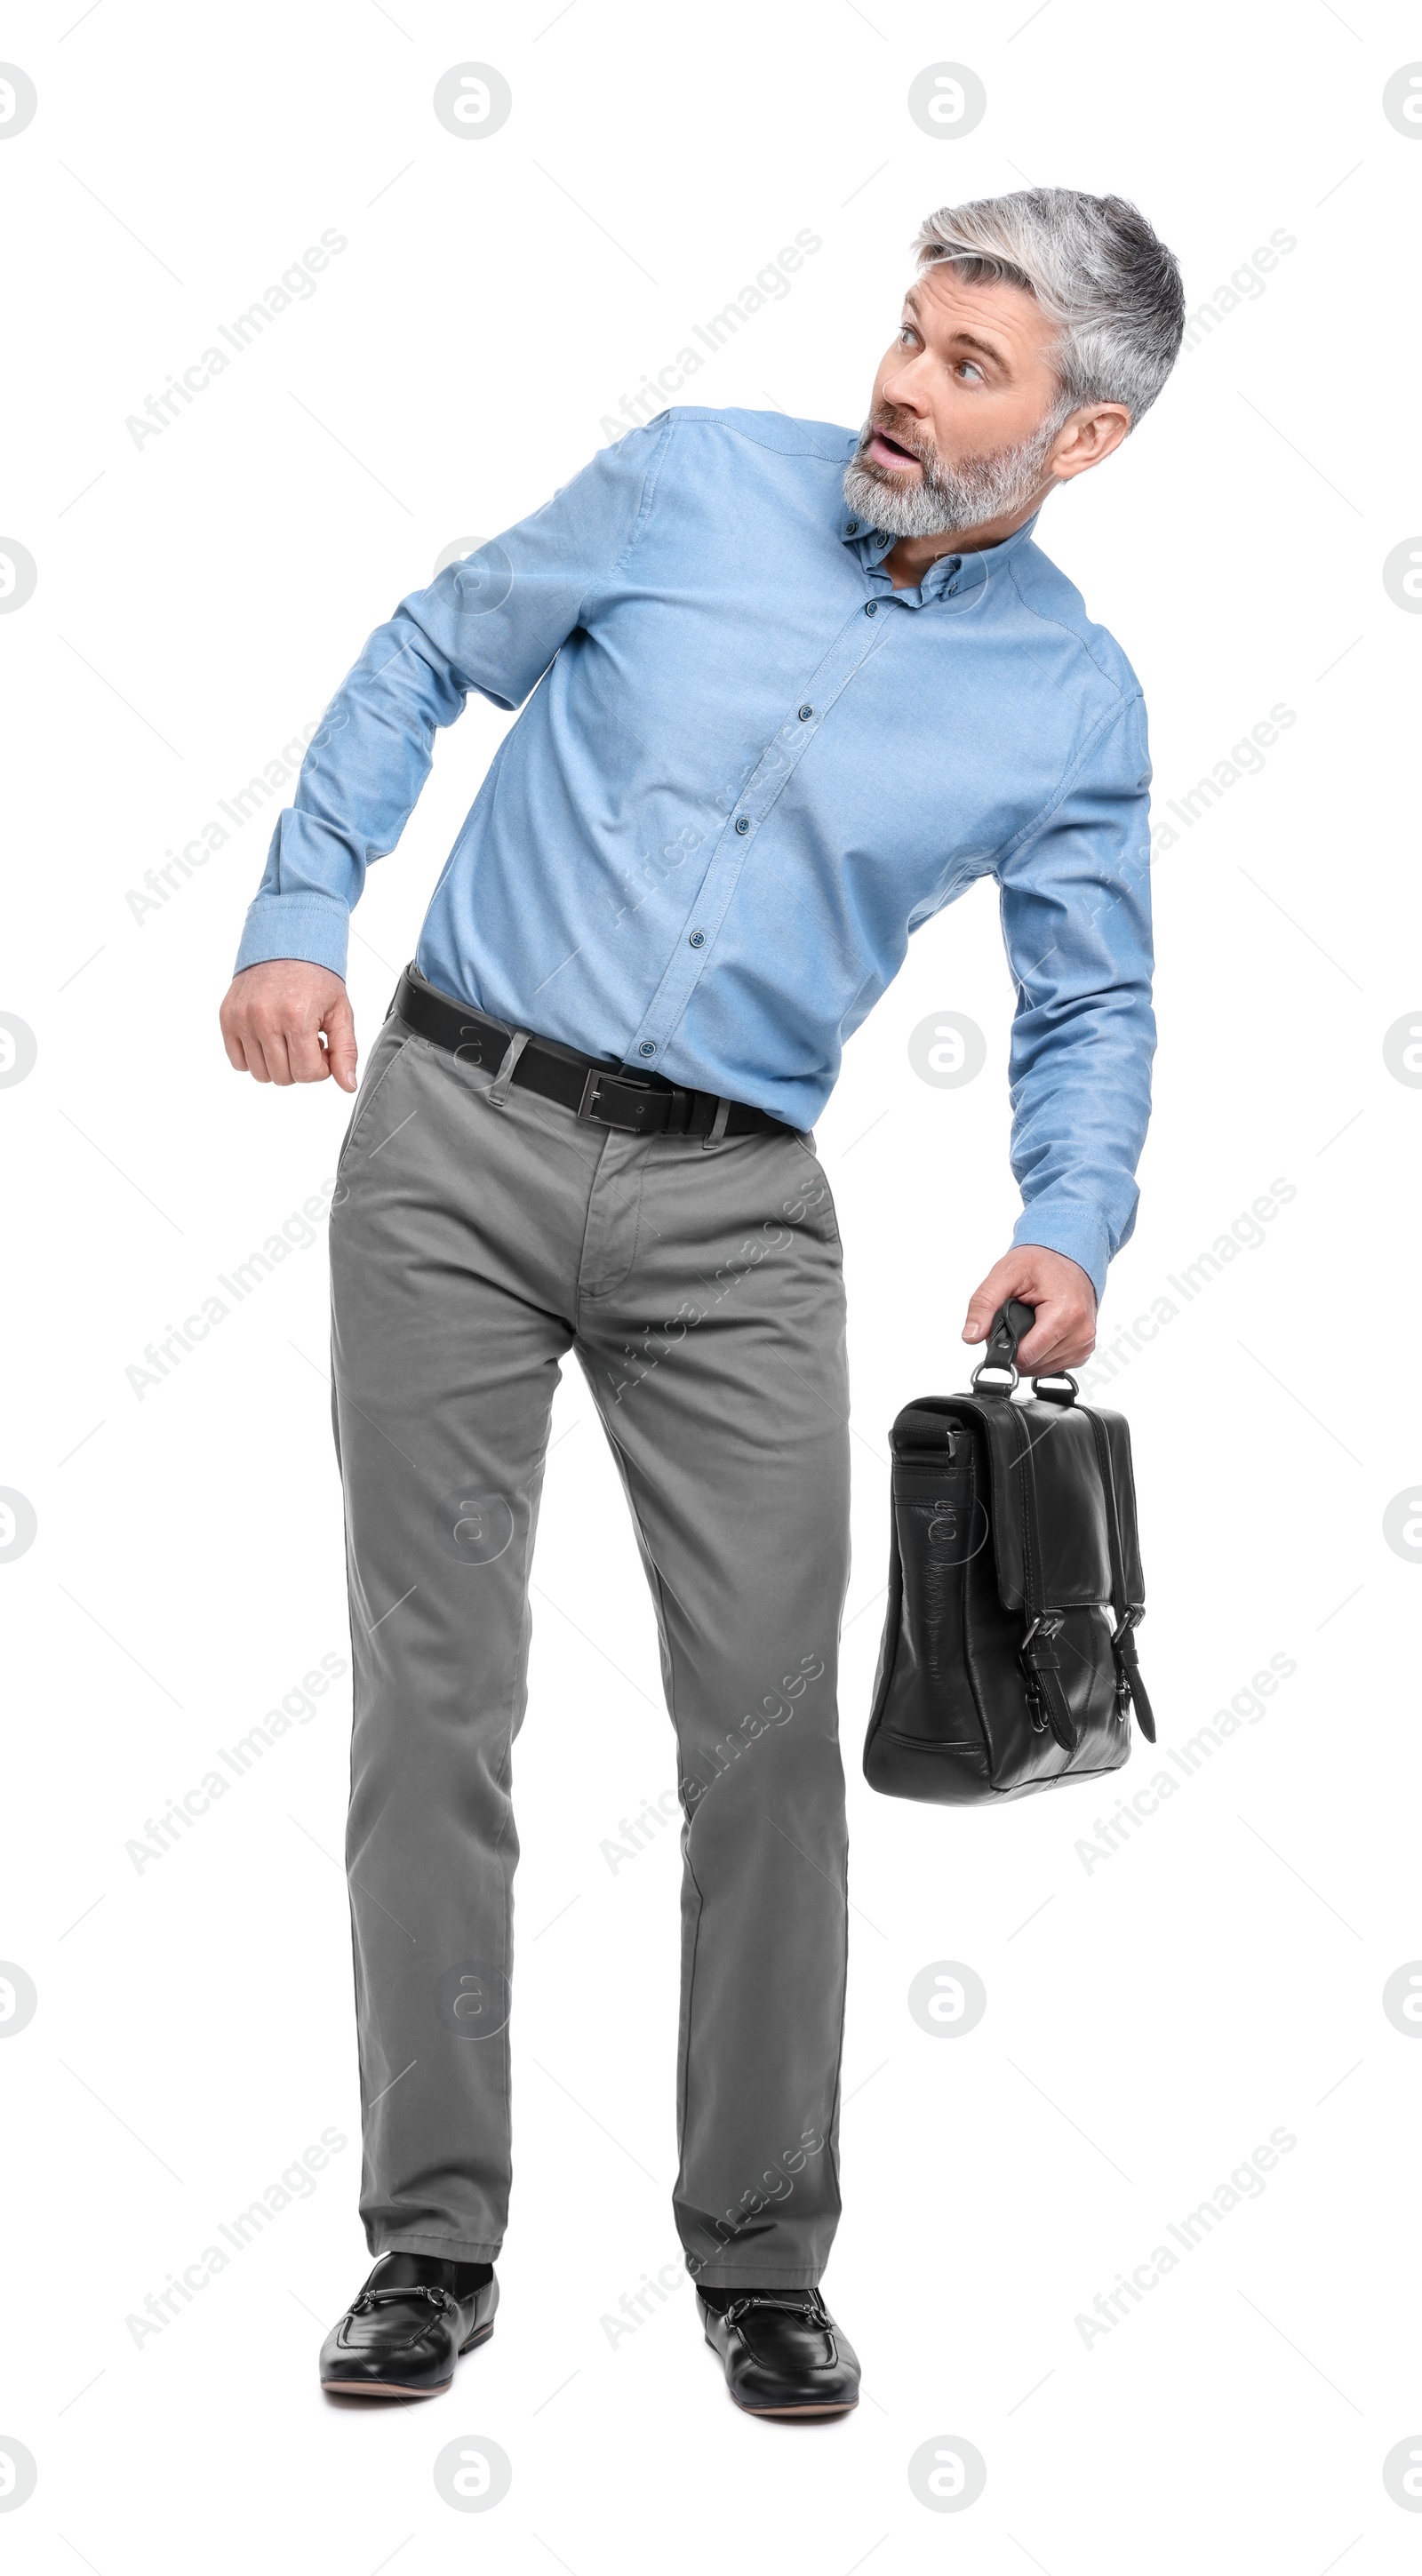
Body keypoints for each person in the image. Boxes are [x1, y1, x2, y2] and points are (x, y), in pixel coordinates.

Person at [219, 188, 1183, 2419]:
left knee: (764, 1746)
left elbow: (1091, 990)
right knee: (434, 1711)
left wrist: (1072, 1212)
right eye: (911, 333)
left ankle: (758, 2253)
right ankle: (427, 2243)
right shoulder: (688, 479)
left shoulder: (1069, 702)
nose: (904, 386)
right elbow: (426, 646)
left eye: (971, 368)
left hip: (738, 1219)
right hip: (449, 1139)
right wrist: (296, 911)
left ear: (1083, 441)